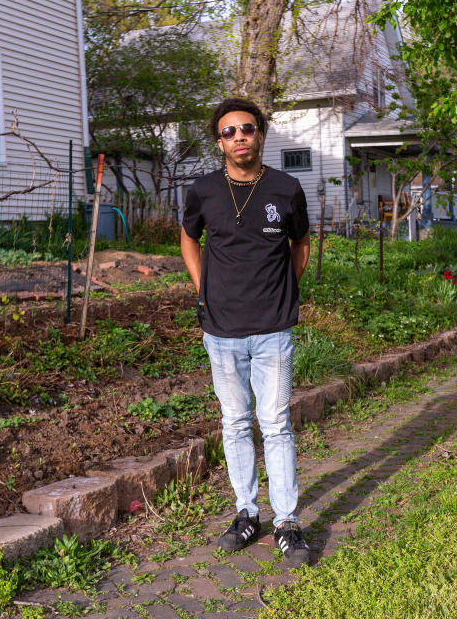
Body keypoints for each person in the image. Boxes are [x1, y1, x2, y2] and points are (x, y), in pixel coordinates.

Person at [180, 98, 311, 566]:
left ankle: (287, 522)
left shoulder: (286, 188)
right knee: (235, 423)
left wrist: (285, 291)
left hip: (273, 327)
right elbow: (189, 237)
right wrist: (203, 289)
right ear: (220, 141)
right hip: (221, 328)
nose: (239, 137)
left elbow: (301, 244)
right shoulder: (203, 191)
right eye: (229, 131)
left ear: (260, 134)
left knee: (275, 425)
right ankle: (246, 512)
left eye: (247, 129)